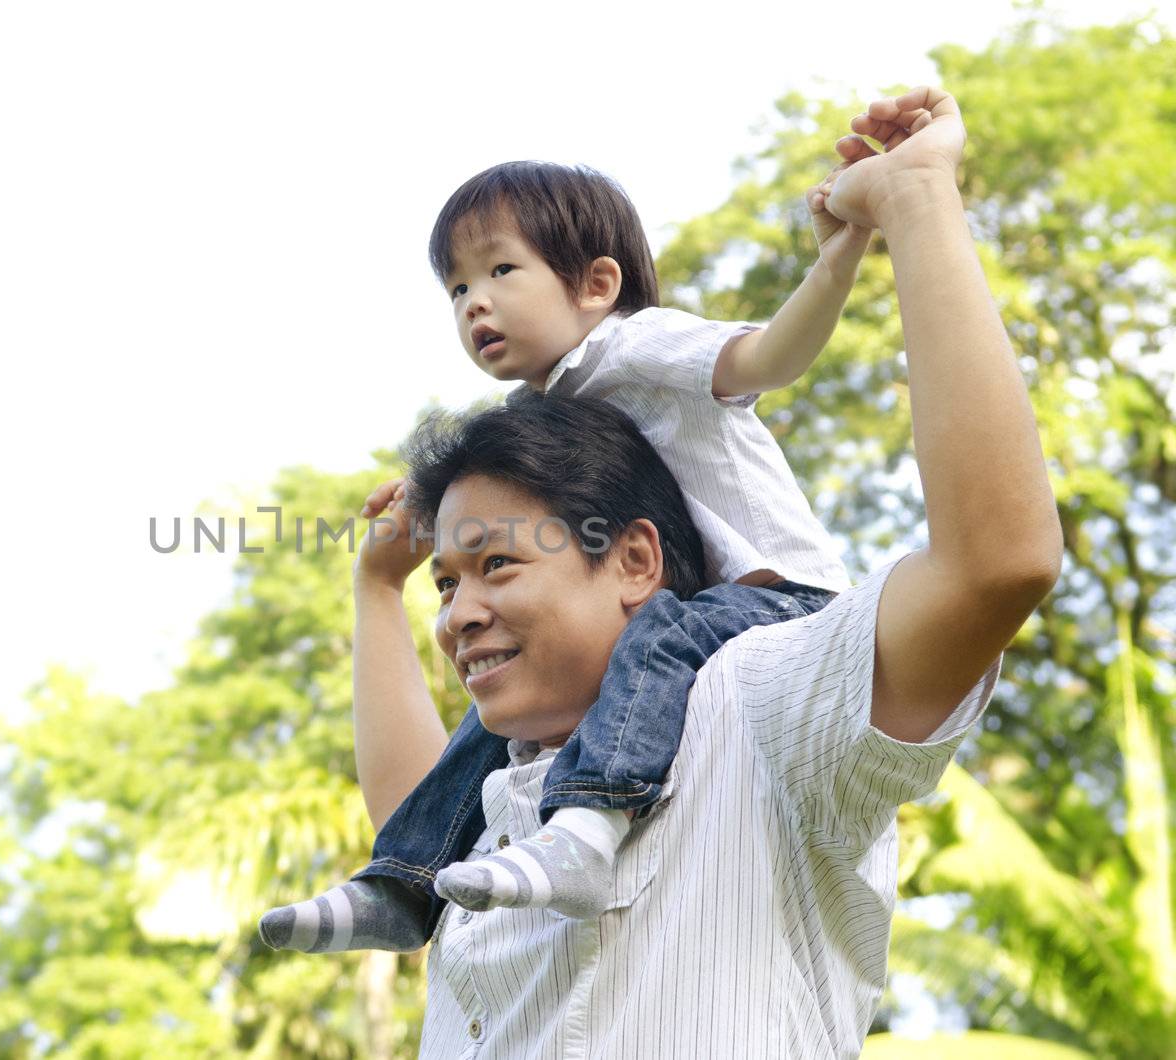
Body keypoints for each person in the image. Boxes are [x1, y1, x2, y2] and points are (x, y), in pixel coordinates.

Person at [296, 86, 1059, 1057]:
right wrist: (376, 586)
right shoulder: (496, 802)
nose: (458, 615)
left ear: (634, 559)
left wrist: (912, 204)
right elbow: (406, 804)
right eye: (445, 585)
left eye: (495, 563)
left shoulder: (753, 706)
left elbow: (997, 562)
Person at [261, 136, 872, 947]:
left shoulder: (635, 344)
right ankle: (404, 883)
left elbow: (769, 355)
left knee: (657, 633)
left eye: (499, 270)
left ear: (596, 284)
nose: (474, 302)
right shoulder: (532, 421)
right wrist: (408, 538)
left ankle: (586, 829)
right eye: (456, 288)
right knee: (494, 714)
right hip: (686, 615)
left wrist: (839, 260)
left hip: (779, 600)